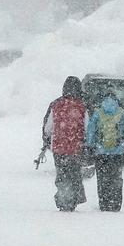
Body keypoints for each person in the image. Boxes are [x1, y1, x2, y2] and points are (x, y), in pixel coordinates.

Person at [43, 76, 88, 212]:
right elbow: (87, 128)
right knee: (74, 174)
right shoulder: (82, 106)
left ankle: (63, 200)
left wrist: (47, 141)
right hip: (75, 148)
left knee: (62, 175)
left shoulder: (56, 105)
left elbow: (48, 128)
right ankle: (73, 199)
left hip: (59, 148)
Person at [85, 92, 124, 212]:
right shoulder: (122, 113)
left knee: (102, 179)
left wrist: (90, 145)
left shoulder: (98, 113)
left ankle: (104, 203)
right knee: (116, 178)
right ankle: (115, 204)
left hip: (100, 152)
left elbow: (91, 131)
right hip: (117, 152)